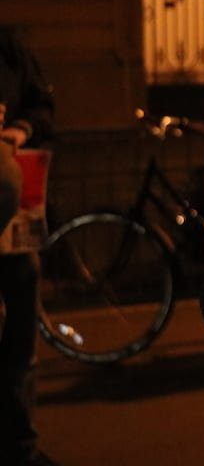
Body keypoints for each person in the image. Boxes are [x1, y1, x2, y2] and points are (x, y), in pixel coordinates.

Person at [0, 26, 55, 466]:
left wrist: (20, 128)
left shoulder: (8, 47)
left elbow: (43, 107)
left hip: (13, 226)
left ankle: (21, 447)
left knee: (20, 342)